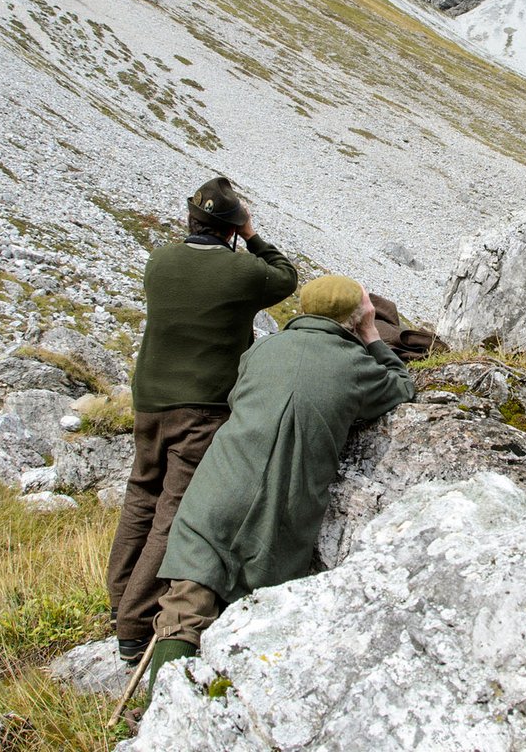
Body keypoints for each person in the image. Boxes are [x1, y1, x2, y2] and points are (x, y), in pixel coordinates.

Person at [142, 274, 415, 689]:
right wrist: (374, 336)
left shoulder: (262, 349)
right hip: (281, 505)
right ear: (355, 319)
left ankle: (159, 716)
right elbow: (402, 387)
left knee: (185, 608)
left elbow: (238, 400)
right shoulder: (356, 366)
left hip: (218, 486)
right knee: (256, 616)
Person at [105, 177, 297, 667]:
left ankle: (118, 601)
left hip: (149, 400)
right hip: (201, 407)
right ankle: (135, 625)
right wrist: (252, 235)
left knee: (140, 496)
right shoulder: (240, 272)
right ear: (230, 228)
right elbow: (285, 276)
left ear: (191, 219)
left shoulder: (160, 261)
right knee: (175, 510)